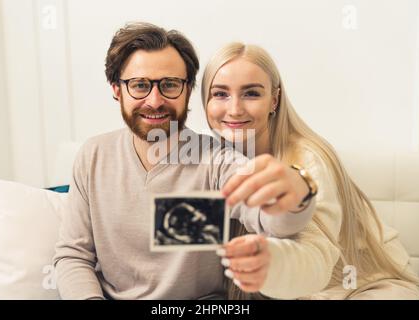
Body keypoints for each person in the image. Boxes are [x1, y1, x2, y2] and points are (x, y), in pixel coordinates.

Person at [52, 23, 317, 300]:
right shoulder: (93, 156)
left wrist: (299, 192)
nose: (155, 101)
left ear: (188, 90)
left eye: (169, 85)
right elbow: (73, 255)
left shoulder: (216, 161)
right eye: (140, 85)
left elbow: (275, 221)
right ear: (117, 89)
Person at [202, 42, 419, 299]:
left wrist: (268, 264)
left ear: (274, 100)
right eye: (220, 94)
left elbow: (314, 254)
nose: (234, 109)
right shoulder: (213, 162)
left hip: (365, 286)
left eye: (251, 94)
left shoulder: (307, 158)